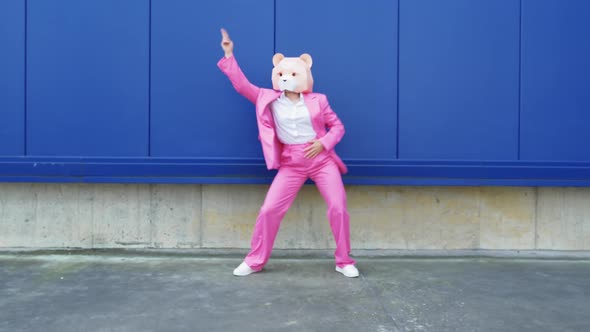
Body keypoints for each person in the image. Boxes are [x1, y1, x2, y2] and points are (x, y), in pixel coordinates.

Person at [217, 29, 359, 278]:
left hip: (321, 160)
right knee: (269, 210)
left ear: (304, 74)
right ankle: (255, 260)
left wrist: (324, 143)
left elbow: (338, 127)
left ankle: (344, 260)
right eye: (282, 73)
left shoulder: (319, 100)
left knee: (338, 207)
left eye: (293, 73)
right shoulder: (267, 98)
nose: (286, 77)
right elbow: (241, 85)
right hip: (291, 162)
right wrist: (229, 54)